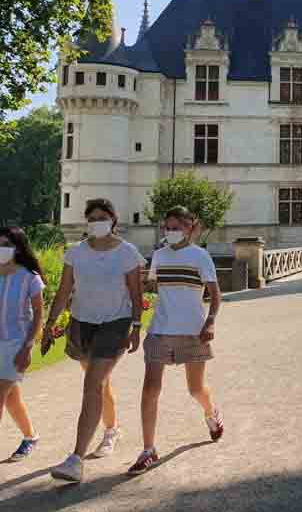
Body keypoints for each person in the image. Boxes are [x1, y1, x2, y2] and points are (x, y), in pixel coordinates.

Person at [42, 198, 145, 484]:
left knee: (92, 384)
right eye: (92, 218)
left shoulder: (127, 252)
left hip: (115, 323)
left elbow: (136, 294)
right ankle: (111, 429)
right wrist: (50, 324)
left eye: (102, 217)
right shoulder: (76, 253)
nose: (96, 222)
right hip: (82, 324)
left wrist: (136, 326)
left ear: (113, 219)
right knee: (98, 383)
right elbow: (63, 292)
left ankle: (75, 459)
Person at [127, 206, 223, 475]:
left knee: (195, 390)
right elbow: (152, 285)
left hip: (193, 331)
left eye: (175, 227)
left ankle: (211, 413)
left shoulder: (201, 257)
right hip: (160, 330)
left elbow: (215, 295)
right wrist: (132, 279)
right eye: (166, 227)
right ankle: (148, 449)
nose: (170, 232)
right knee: (150, 390)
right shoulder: (159, 255)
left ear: (190, 227)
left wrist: (211, 320)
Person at [0, 227, 44, 462]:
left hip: (16, 343)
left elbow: (38, 314)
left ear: (18, 248)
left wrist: (28, 347)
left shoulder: (29, 277)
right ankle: (30, 436)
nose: (1, 249)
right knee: (11, 398)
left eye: (6, 244)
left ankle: (30, 437)